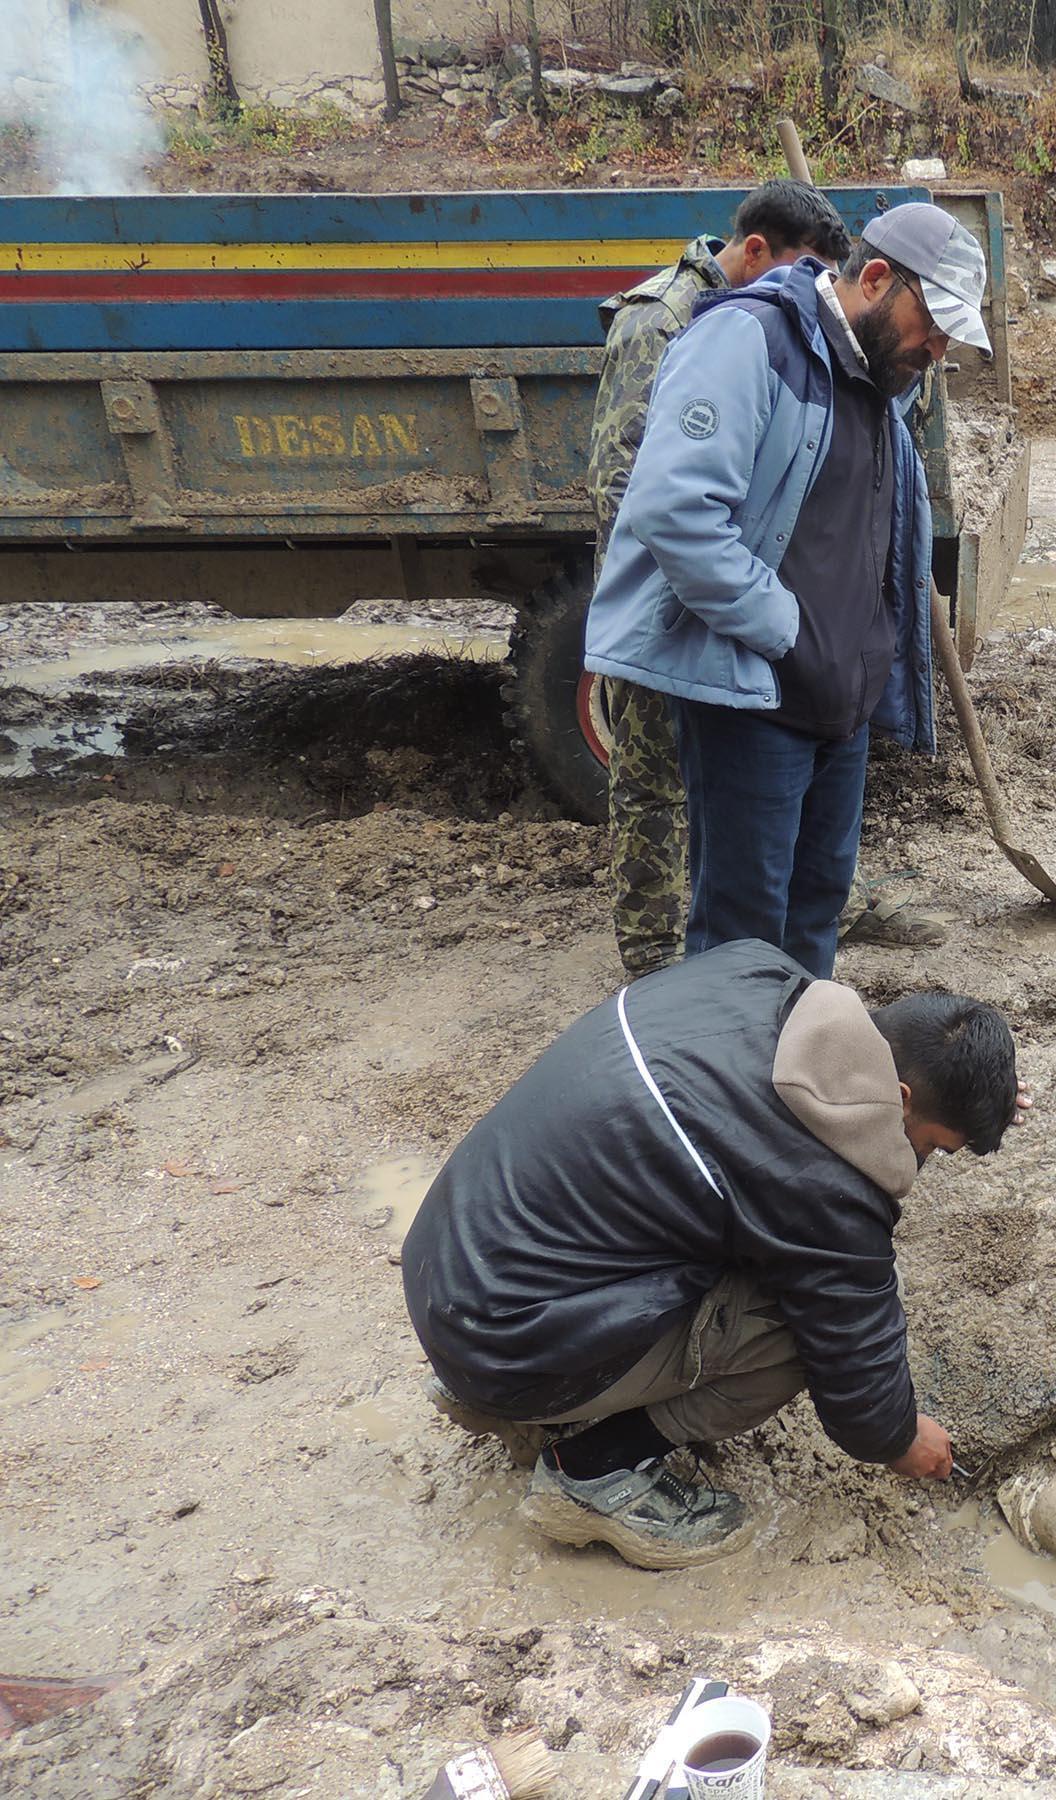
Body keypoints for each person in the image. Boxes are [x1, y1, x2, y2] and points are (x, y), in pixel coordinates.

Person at [402, 940, 1022, 1567]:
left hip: (454, 1271)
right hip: (504, 1341)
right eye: (936, 1146)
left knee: (735, 1238)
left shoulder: (754, 972)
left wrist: (978, 1099)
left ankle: (505, 1388)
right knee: (799, 1331)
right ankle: (590, 1472)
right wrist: (901, 1437)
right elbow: (857, 1379)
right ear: (903, 1097)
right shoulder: (825, 1184)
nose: (922, 1159)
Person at [584, 202, 990, 977]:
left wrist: (869, 654)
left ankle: (802, 1084)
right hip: (756, 700)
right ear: (875, 279)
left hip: (839, 709)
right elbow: (673, 511)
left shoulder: (879, 374)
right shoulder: (748, 340)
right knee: (741, 939)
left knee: (814, 919)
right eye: (932, 323)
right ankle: (727, 1092)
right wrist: (785, 629)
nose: (937, 349)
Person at [587, 181, 852, 982]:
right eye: (804, 273)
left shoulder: (779, 327)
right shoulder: (663, 320)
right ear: (758, 252)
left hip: (727, 593)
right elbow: (626, 485)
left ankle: (719, 936)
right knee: (653, 782)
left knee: (730, 794)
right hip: (671, 600)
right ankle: (652, 962)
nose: (813, 295)